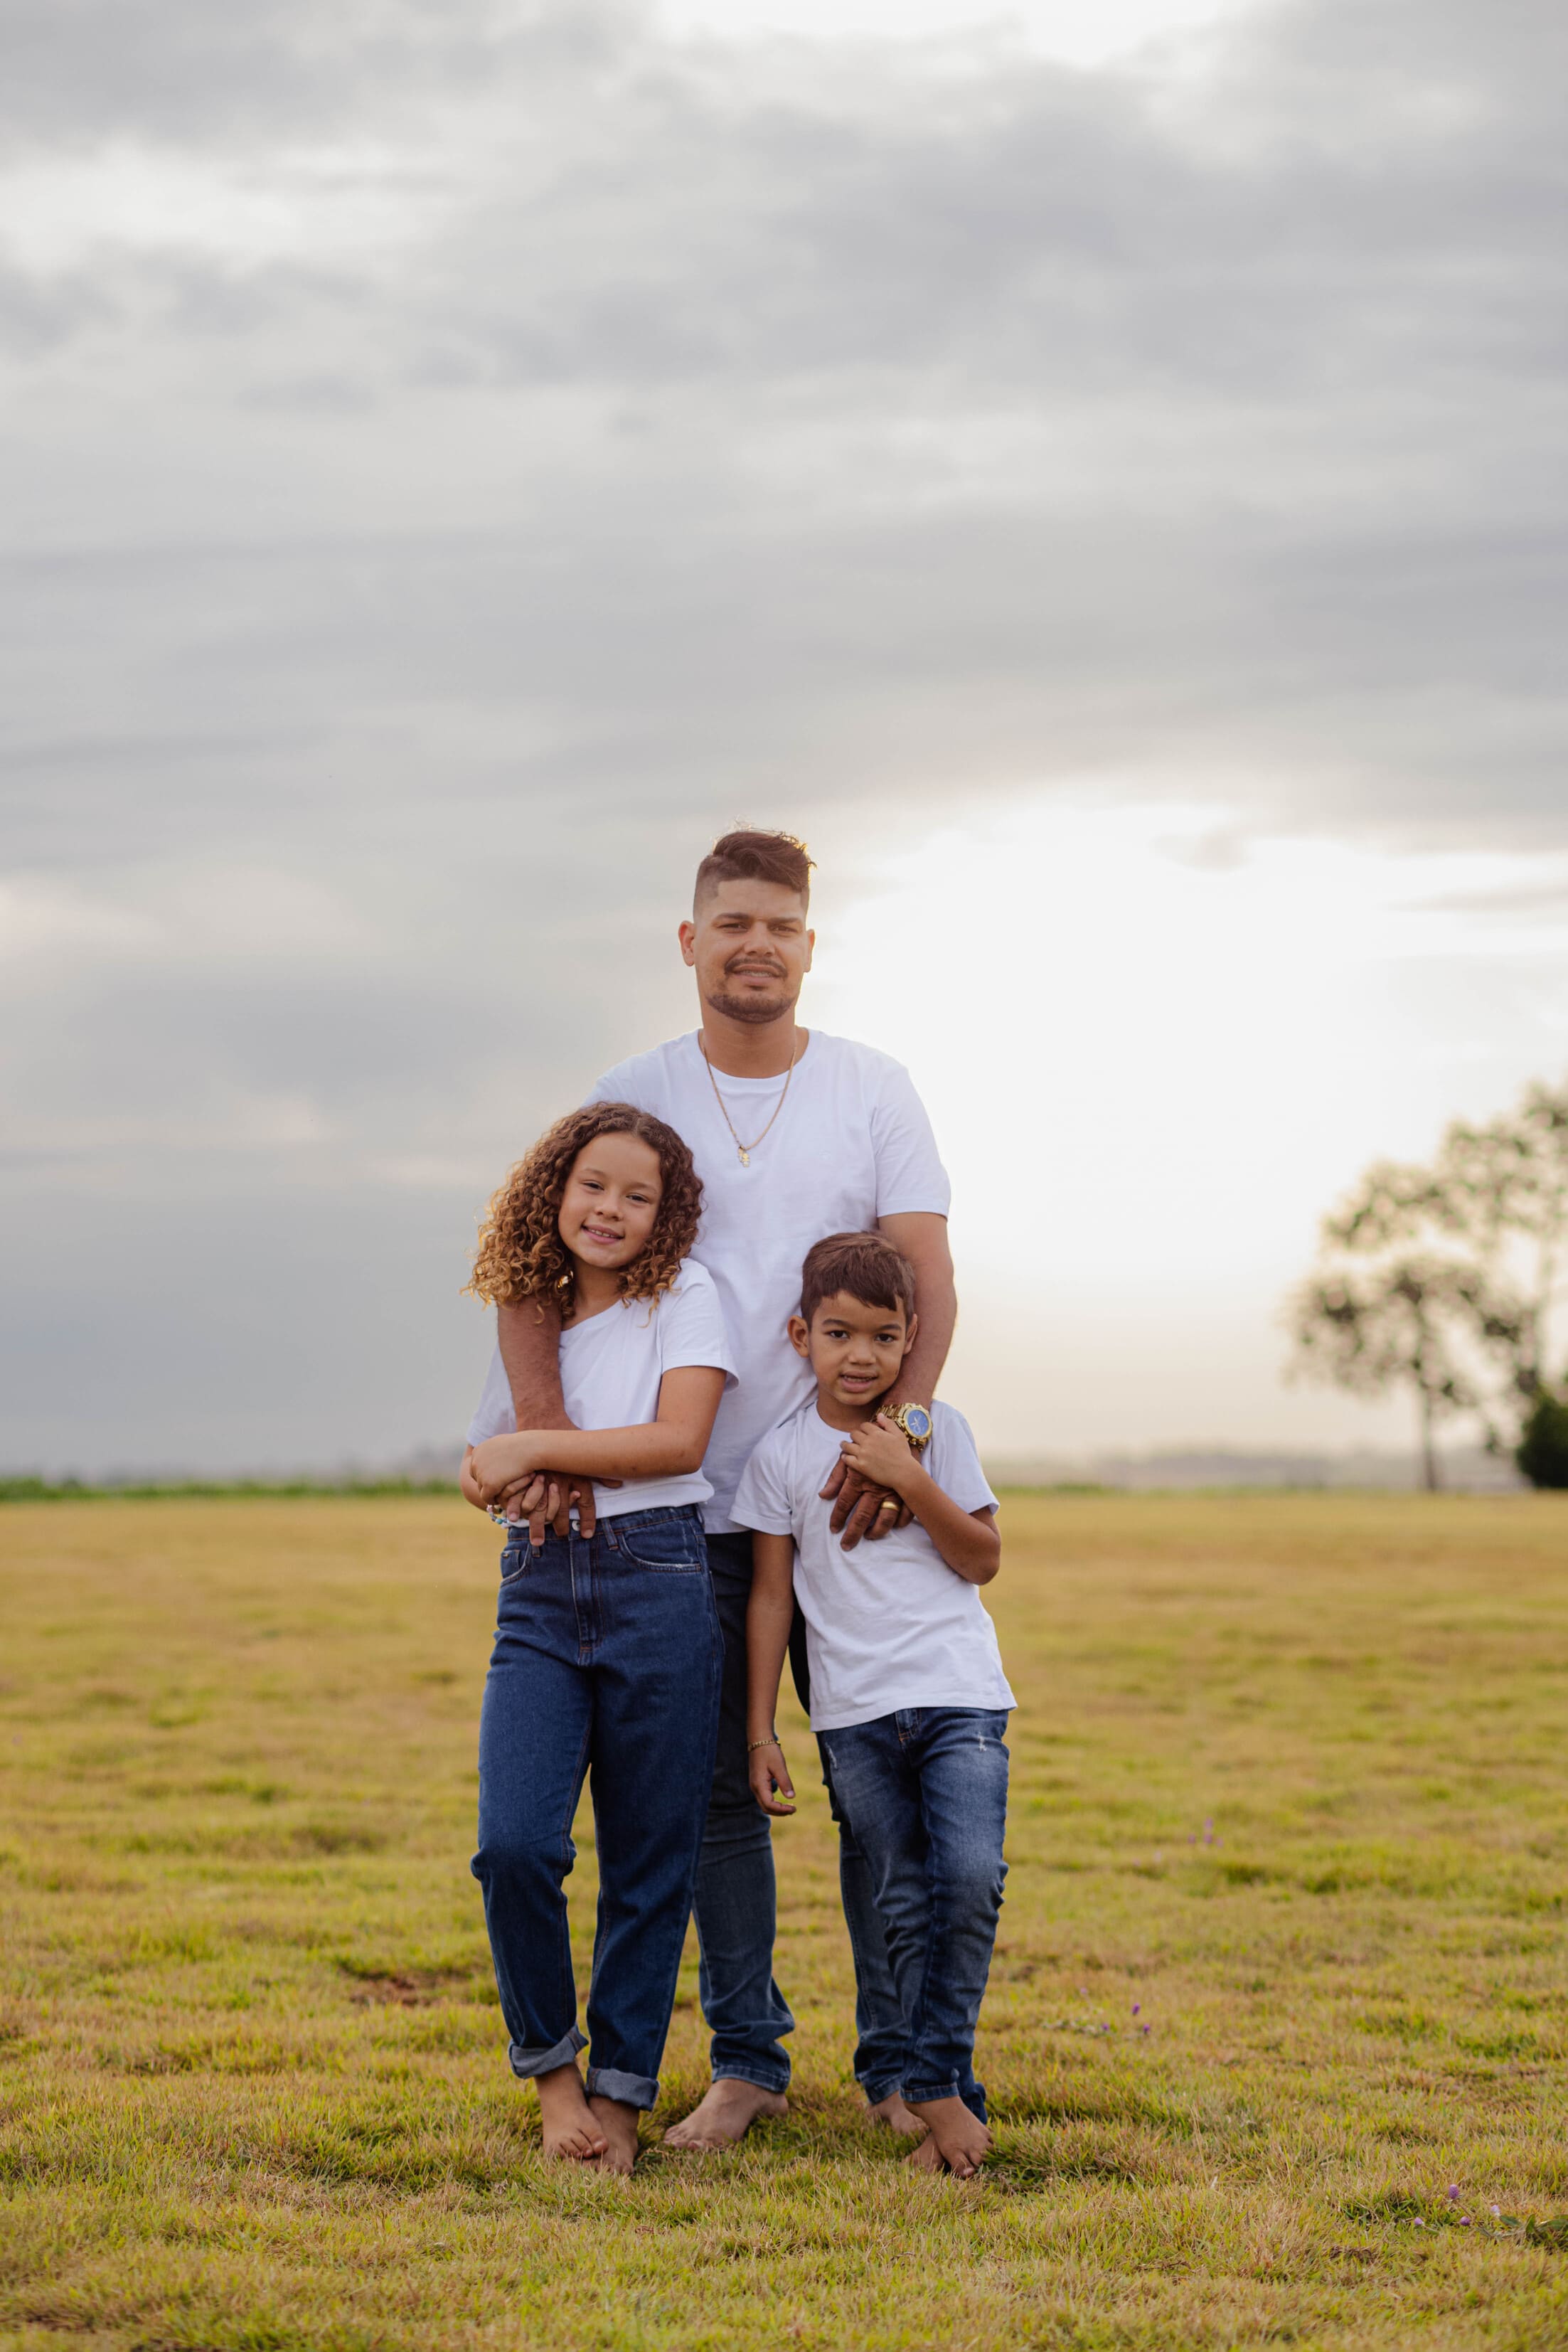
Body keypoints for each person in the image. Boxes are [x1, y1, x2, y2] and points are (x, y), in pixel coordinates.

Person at [468, 828, 958, 2151]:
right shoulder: (633, 1088)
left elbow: (927, 1276)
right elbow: (530, 1262)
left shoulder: (872, 1088)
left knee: (879, 1785)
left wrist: (899, 1440)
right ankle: (747, 2061)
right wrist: (548, 1434)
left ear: (809, 944)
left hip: (843, 1495)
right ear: (690, 942)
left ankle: (909, 2070)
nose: (757, 945)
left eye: (782, 927)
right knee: (716, 1804)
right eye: (731, 922)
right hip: (676, 1524)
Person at [462, 1102, 735, 2176]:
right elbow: (482, 1468)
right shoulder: (526, 1317)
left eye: (638, 1195)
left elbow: (679, 1440)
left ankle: (617, 2102)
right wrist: (505, 1462)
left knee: (648, 1862)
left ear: (666, 1218)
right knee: (514, 1847)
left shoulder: (686, 1297)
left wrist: (532, 1447)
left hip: (657, 1576)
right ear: (554, 1189)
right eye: (592, 1186)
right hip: (536, 1586)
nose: (610, 1209)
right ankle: (552, 2075)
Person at [737, 1230, 1013, 2178]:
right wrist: (760, 1726)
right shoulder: (776, 1457)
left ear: (910, 1341)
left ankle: (930, 2077)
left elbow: (980, 1559)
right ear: (799, 1335)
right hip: (852, 1716)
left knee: (970, 1877)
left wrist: (907, 1477)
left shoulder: (937, 1432)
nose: (861, 1355)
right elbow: (770, 1598)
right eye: (839, 1333)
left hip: (959, 1697)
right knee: (897, 1895)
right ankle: (918, 2085)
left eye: (884, 1337)